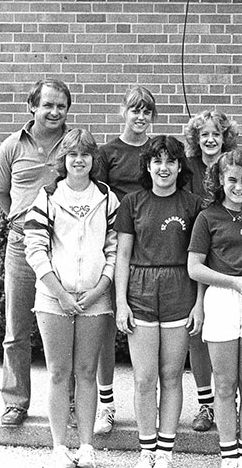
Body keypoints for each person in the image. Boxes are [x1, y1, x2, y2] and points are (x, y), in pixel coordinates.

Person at [24, 128, 119, 468]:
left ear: (93, 159)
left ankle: (87, 446)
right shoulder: (48, 195)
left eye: (86, 154)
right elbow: (34, 249)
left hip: (95, 298)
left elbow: (114, 248)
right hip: (53, 299)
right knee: (59, 372)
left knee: (86, 371)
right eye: (72, 155)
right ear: (63, 160)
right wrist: (60, 293)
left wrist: (100, 288)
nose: (79, 160)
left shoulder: (107, 197)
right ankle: (59, 447)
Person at [114, 136, 202, 468]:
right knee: (144, 377)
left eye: (170, 162)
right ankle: (146, 449)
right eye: (157, 161)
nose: (163, 168)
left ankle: (165, 451)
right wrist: (121, 302)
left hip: (180, 288)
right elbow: (122, 255)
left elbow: (200, 259)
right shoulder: (132, 203)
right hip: (141, 289)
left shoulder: (193, 205)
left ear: (180, 167)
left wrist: (199, 303)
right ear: (147, 166)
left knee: (172, 375)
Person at [0, 78, 71, 427]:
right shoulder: (11, 146)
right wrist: (21, 220)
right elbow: (0, 192)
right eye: (48, 104)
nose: (54, 111)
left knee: (69, 326)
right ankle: (16, 401)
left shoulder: (75, 144)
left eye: (61, 106)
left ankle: (67, 401)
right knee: (16, 329)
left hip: (66, 248)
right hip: (22, 248)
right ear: (32, 106)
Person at [187, 150, 242, 468]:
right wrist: (233, 283)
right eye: (232, 180)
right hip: (222, 299)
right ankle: (228, 456)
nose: (239, 186)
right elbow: (195, 268)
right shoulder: (207, 217)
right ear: (220, 181)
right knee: (224, 385)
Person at [94, 85, 157, 436]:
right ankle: (106, 405)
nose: (140, 116)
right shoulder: (108, 153)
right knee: (105, 328)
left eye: (147, 111)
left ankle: (151, 402)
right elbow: (98, 199)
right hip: (115, 243)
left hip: (151, 248)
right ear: (123, 111)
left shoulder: (157, 151)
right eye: (135, 110)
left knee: (149, 330)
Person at [183, 109, 239, 432]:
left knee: (227, 332)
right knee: (197, 330)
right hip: (192, 249)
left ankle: (227, 398)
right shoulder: (188, 168)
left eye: (216, 134)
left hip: (226, 251)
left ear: (225, 137)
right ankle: (206, 404)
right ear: (196, 138)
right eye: (204, 134)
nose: (210, 139)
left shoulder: (233, 167)